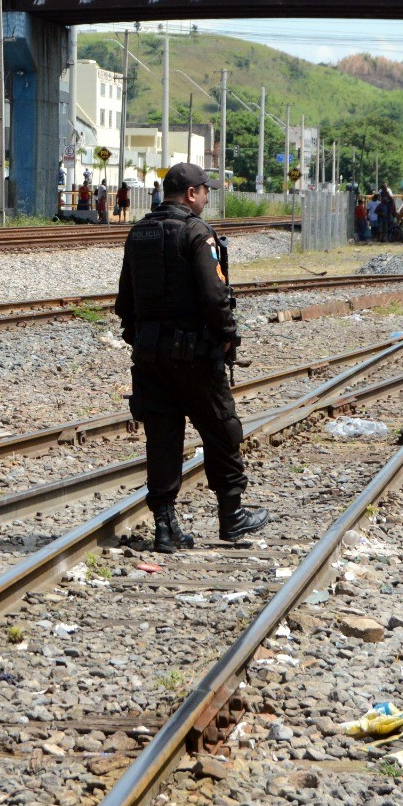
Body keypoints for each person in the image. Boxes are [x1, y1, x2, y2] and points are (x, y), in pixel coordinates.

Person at [117, 162, 271, 553]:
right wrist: (226, 337)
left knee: (163, 438)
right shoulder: (195, 232)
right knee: (222, 430)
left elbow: (125, 301)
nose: (207, 197)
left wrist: (144, 339)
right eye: (206, 191)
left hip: (151, 357)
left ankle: (166, 528)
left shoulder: (139, 233)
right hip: (196, 357)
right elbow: (214, 295)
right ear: (190, 194)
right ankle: (232, 517)